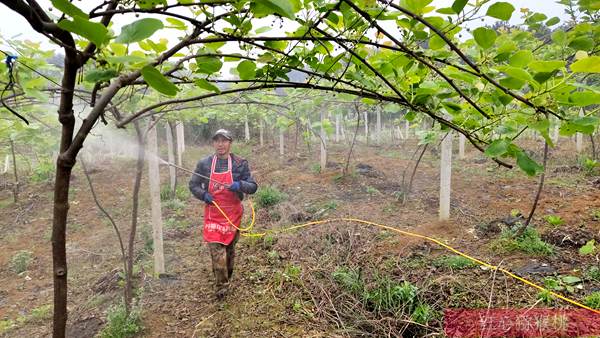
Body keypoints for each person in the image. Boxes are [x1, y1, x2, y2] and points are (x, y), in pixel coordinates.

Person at [189, 129, 258, 299]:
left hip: (233, 213)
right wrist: (203, 195)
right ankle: (222, 288)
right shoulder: (204, 164)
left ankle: (227, 275)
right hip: (214, 212)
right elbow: (193, 185)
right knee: (216, 249)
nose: (220, 144)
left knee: (229, 249)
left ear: (230, 143)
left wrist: (240, 185)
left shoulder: (239, 163)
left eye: (224, 141)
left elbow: (253, 186)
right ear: (213, 143)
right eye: (217, 141)